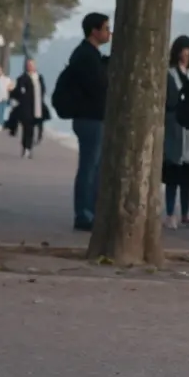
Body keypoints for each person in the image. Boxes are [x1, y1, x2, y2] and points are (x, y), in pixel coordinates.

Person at [64, 12, 111, 232]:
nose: (109, 32)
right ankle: (84, 214)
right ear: (95, 30)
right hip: (89, 118)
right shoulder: (85, 56)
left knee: (95, 167)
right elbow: (98, 85)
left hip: (93, 118)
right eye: (106, 28)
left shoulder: (90, 55)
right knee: (89, 167)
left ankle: (91, 211)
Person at [163, 36, 189, 229]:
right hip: (174, 128)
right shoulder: (169, 75)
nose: (187, 54)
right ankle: (170, 213)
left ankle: (185, 213)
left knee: (188, 175)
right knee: (172, 174)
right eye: (185, 50)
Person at [11, 59, 50, 158]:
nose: (30, 67)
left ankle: (32, 145)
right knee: (27, 129)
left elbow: (43, 90)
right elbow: (18, 92)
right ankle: (26, 148)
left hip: (38, 107)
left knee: (34, 128)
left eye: (32, 65)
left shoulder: (39, 78)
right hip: (26, 108)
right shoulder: (22, 78)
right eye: (28, 65)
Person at [0, 65, 11, 130]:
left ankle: (1, 123)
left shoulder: (7, 79)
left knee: (4, 112)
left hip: (5, 97)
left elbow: (10, 87)